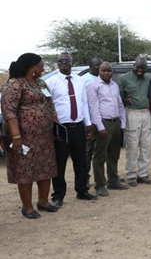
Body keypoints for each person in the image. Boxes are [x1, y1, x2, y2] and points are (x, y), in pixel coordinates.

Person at [1, 53, 59, 218]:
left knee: (45, 167)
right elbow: (9, 111)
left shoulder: (41, 83)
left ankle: (44, 201)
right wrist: (16, 136)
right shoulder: (15, 84)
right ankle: (27, 207)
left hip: (44, 137)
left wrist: (57, 127)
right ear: (32, 68)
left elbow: (50, 105)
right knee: (25, 170)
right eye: (41, 66)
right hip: (24, 138)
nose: (43, 68)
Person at [46, 52, 97, 207]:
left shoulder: (79, 80)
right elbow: (48, 106)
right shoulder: (51, 82)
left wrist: (88, 124)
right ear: (57, 63)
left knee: (81, 161)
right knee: (59, 163)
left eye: (66, 60)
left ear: (72, 63)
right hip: (61, 127)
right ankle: (58, 196)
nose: (63, 63)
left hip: (79, 126)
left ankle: (82, 191)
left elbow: (84, 103)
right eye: (60, 61)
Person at [87, 62, 128, 196]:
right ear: (99, 71)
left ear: (112, 72)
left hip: (115, 123)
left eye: (109, 71)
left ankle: (113, 181)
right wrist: (99, 127)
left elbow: (120, 105)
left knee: (113, 154)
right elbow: (93, 107)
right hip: (103, 124)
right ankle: (100, 185)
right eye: (103, 70)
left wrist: (122, 124)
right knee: (100, 156)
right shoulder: (93, 85)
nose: (106, 73)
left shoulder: (114, 85)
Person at [118, 57, 151, 186]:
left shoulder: (150, 78)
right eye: (138, 67)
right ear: (134, 66)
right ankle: (131, 175)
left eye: (143, 68)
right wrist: (125, 100)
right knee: (132, 145)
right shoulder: (124, 78)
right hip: (132, 113)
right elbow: (118, 96)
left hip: (147, 113)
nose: (140, 70)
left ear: (146, 68)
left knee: (146, 145)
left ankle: (143, 174)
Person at [80, 56, 103, 186]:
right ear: (90, 67)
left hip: (103, 119)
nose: (100, 67)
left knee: (101, 152)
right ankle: (85, 178)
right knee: (87, 151)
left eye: (101, 64)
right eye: (97, 65)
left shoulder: (105, 79)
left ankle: (101, 178)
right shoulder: (83, 80)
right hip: (89, 121)